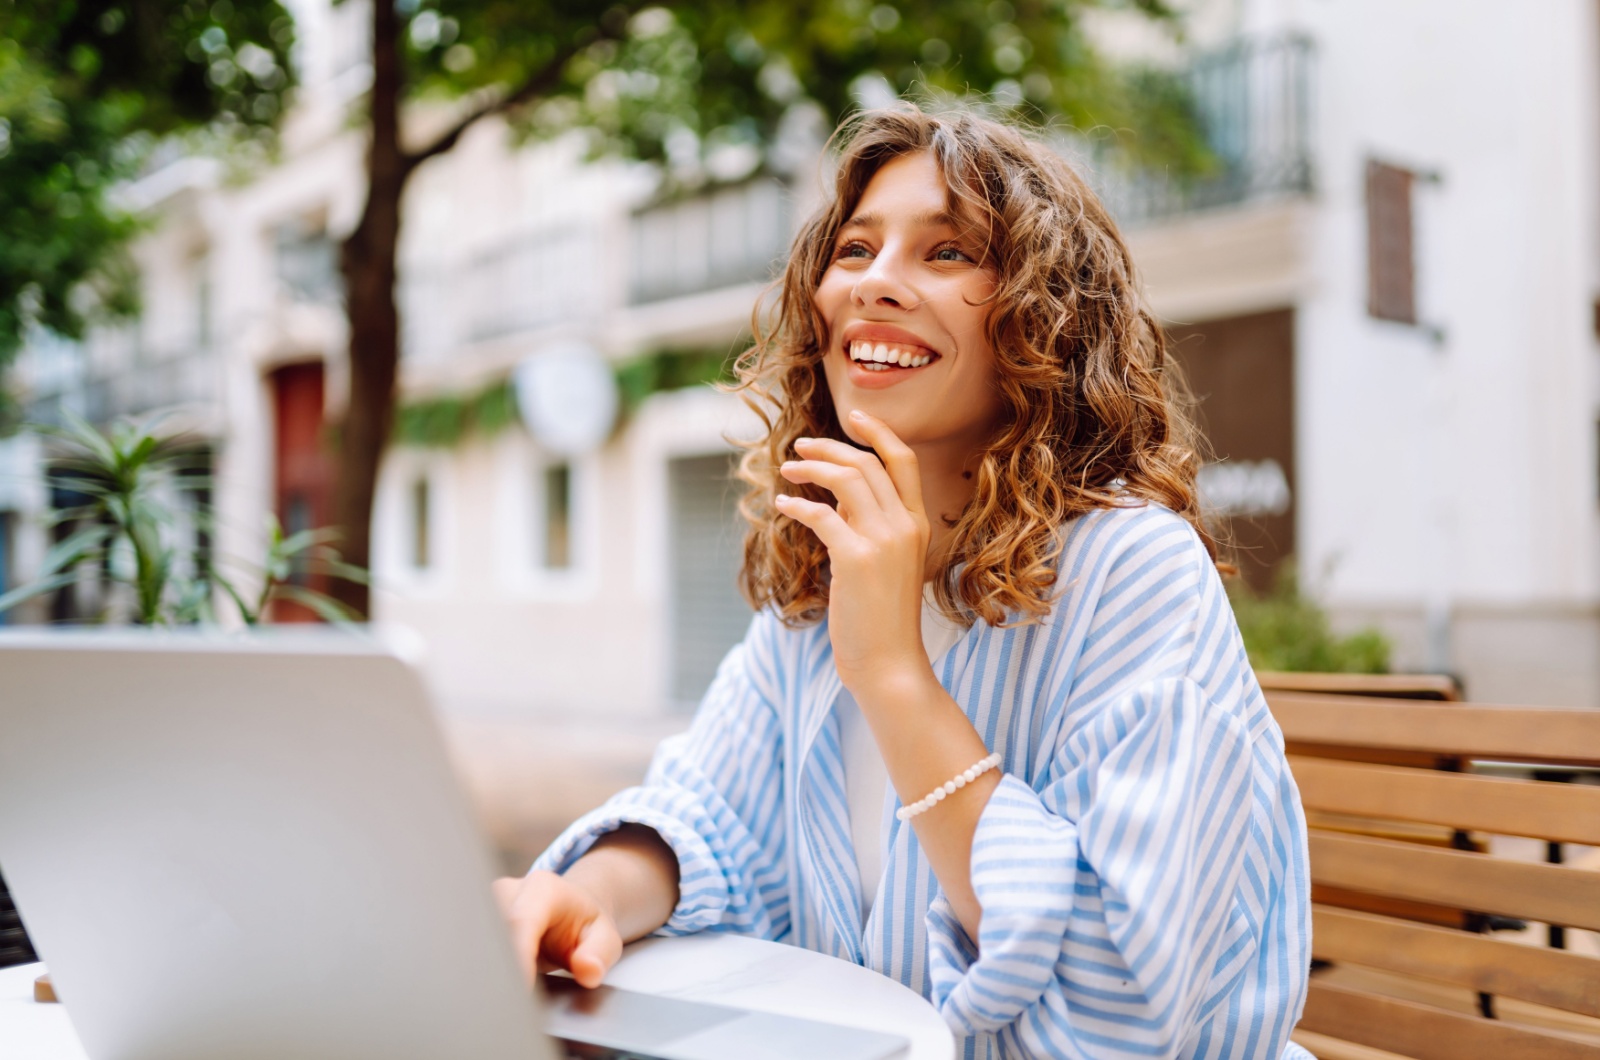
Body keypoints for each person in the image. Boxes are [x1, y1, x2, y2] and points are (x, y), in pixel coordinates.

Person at [494, 103, 1313, 1060]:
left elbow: (1122, 998)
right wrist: (584, 899)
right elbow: (712, 817)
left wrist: (891, 669)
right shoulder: (828, 564)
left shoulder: (1133, 572)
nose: (876, 283)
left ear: (1044, 318)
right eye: (855, 249)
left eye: (948, 252)